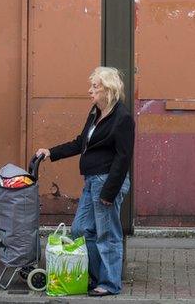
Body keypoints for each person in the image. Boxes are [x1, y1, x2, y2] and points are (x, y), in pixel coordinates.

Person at [36, 67, 134, 297]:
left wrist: (109, 193)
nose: (90, 91)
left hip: (107, 181)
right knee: (80, 229)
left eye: (95, 87)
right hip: (92, 180)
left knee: (107, 234)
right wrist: (51, 152)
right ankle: (97, 276)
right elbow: (81, 142)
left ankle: (110, 283)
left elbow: (123, 158)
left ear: (108, 89)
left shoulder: (122, 118)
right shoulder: (95, 112)